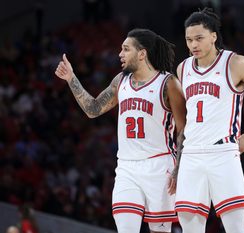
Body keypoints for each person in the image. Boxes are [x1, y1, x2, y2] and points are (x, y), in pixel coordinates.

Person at [55, 28, 186, 233]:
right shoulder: (121, 81)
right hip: (127, 168)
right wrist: (71, 78)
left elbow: (183, 130)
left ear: (142, 53)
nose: (120, 54)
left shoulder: (168, 83)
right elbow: (93, 109)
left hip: (160, 167)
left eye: (126, 49)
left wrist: (179, 170)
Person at [172, 8, 244, 233]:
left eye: (199, 38)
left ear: (213, 36)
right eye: (189, 39)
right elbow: (187, 121)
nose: (193, 45)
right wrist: (178, 163)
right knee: (189, 226)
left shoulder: (235, 63)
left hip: (223, 153)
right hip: (191, 154)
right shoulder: (183, 68)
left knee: (235, 227)